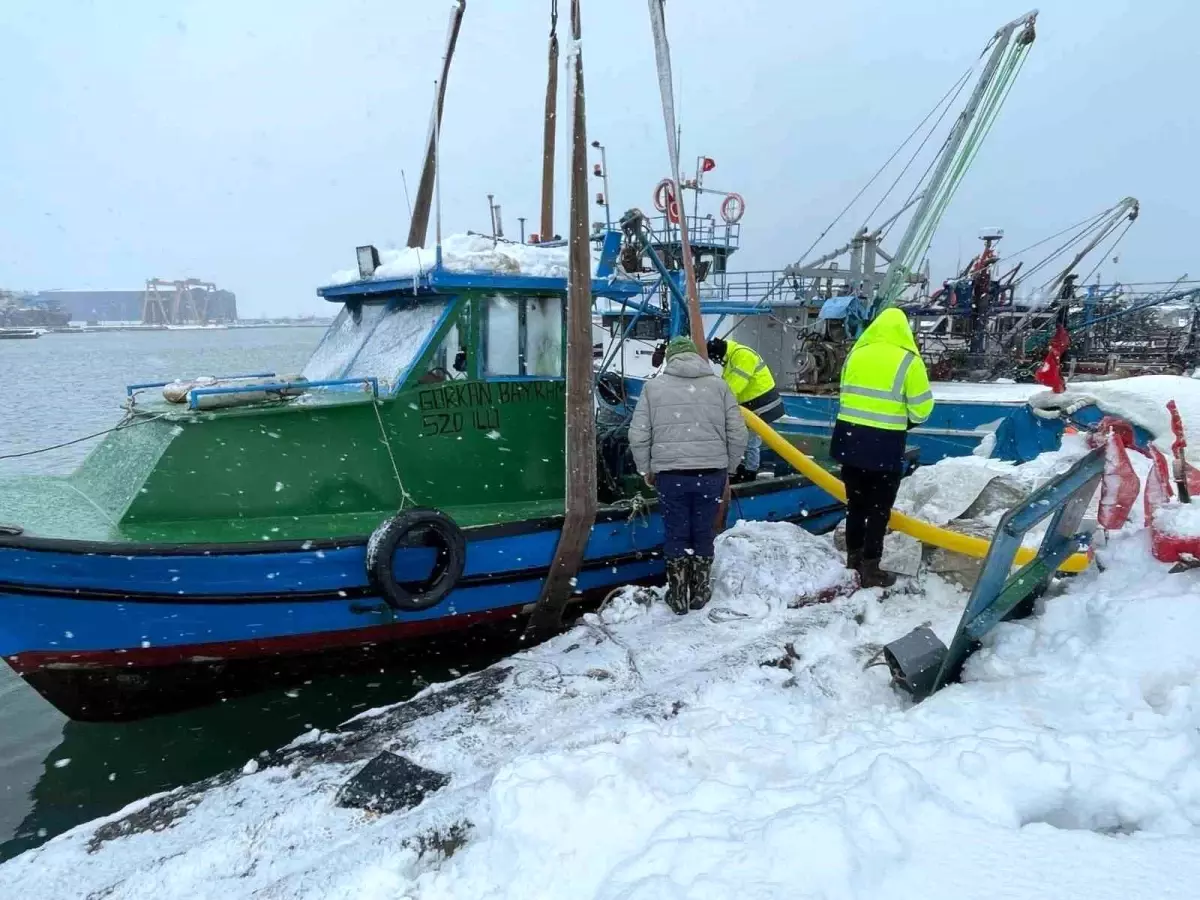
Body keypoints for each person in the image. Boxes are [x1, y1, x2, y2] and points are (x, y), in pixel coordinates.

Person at [629, 336, 747, 614]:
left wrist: (647, 468)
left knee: (677, 532)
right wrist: (728, 467)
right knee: (703, 530)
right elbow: (738, 432)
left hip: (671, 475)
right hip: (711, 473)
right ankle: (700, 592)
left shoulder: (653, 388)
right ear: (695, 356)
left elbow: (638, 434)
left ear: (670, 357)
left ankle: (679, 594)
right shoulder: (719, 386)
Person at [830, 308, 934, 589]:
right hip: (884, 445)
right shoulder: (908, 361)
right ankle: (870, 566)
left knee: (855, 505)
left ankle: (853, 557)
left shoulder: (857, 353)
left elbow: (845, 393)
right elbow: (922, 410)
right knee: (878, 510)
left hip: (850, 442)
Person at [705, 337, 783, 480]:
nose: (717, 363)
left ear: (718, 353)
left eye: (715, 360)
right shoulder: (733, 357)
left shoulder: (742, 356)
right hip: (752, 407)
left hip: (763, 406)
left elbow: (733, 389)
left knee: (751, 441)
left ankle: (749, 473)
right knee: (742, 439)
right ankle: (743, 469)